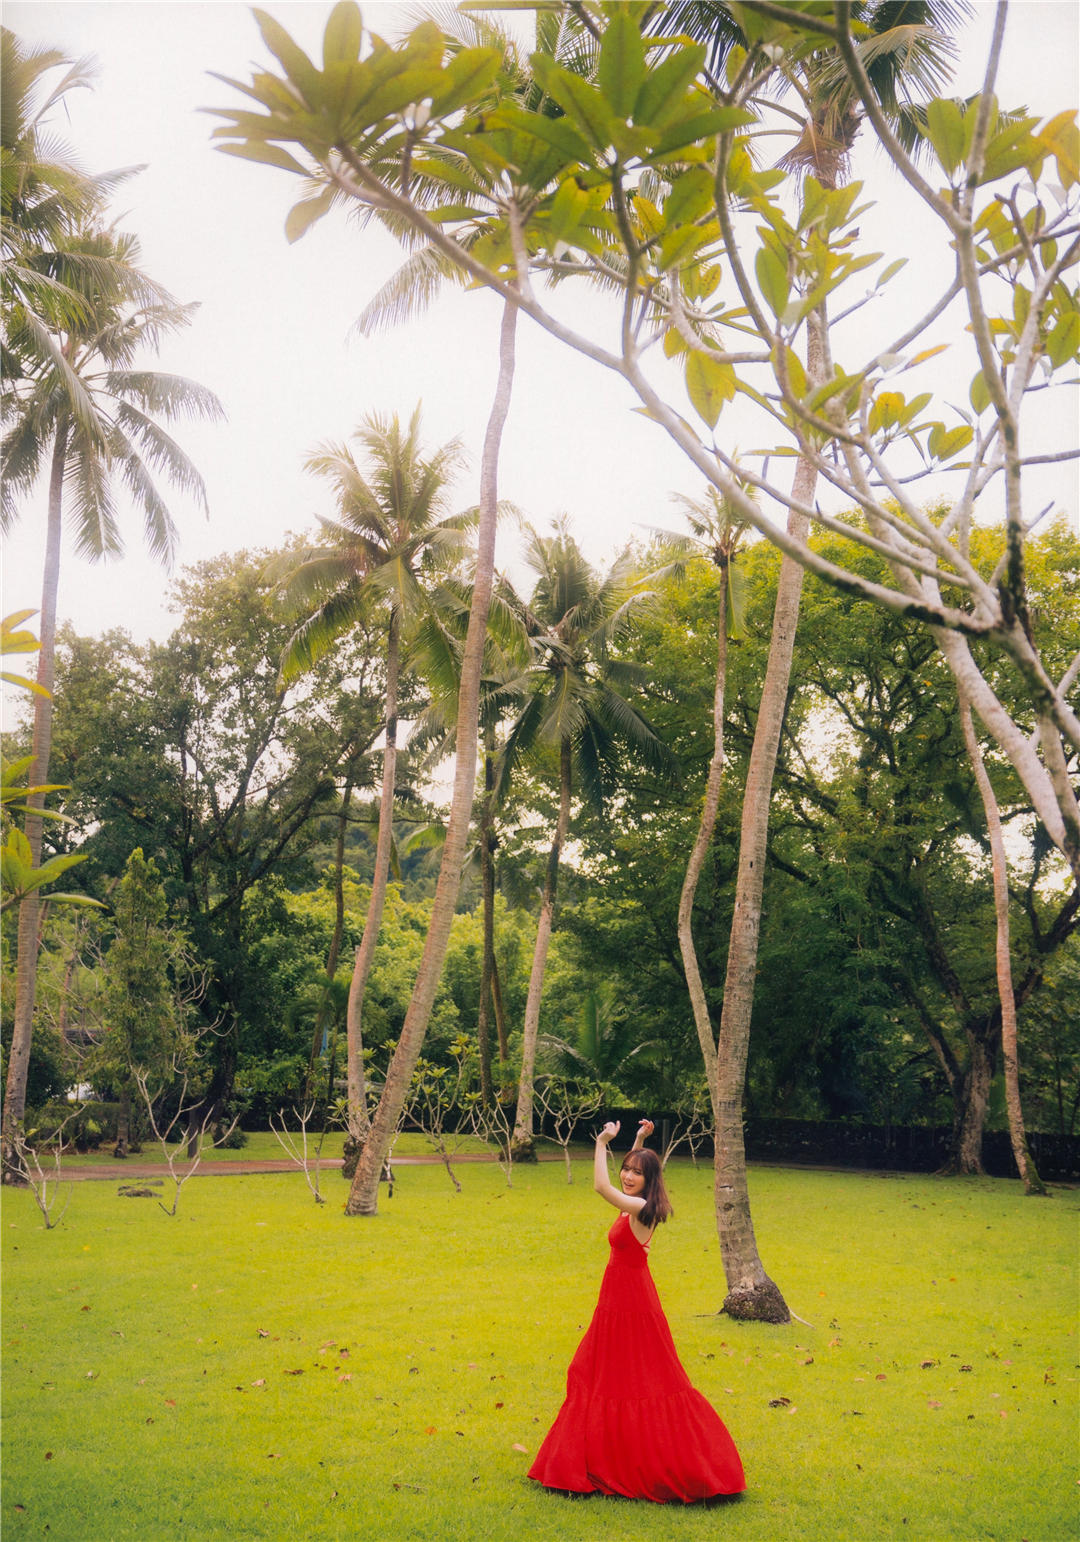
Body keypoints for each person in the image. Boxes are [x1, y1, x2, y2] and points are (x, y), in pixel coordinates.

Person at [528, 1118, 746, 1504]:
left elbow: (601, 1186)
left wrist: (599, 1143)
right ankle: (594, 1458)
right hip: (616, 1304)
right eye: (626, 1169)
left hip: (631, 1307)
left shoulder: (643, 1208)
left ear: (651, 1181)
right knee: (598, 1376)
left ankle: (672, 1464)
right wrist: (639, 1141)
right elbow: (627, 1178)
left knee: (637, 1382)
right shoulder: (639, 1201)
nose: (627, 1176)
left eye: (636, 1172)